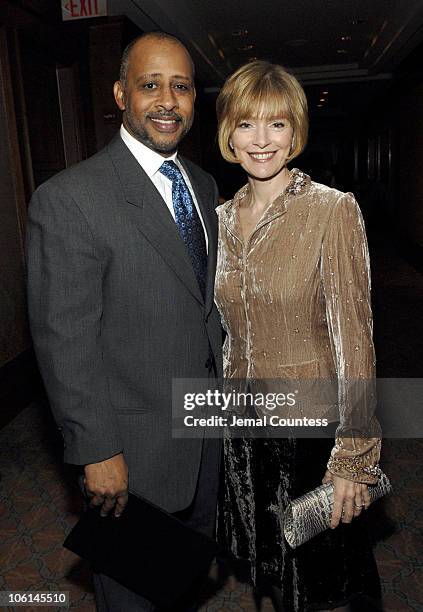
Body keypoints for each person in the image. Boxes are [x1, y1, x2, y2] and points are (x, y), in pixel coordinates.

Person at [26, 32, 223, 611]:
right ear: (120, 94)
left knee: (185, 577)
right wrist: (95, 448)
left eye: (181, 87)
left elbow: (203, 308)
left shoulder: (204, 184)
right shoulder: (70, 199)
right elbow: (65, 338)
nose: (167, 100)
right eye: (150, 84)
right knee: (135, 594)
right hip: (130, 449)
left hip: (205, 433)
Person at [214, 60, 382, 611]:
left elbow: (355, 340)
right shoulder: (216, 220)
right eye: (246, 124)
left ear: (296, 132)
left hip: (313, 437)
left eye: (277, 124)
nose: (261, 140)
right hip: (243, 435)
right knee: (275, 583)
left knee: (323, 589)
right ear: (227, 133)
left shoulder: (332, 211)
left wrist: (353, 456)